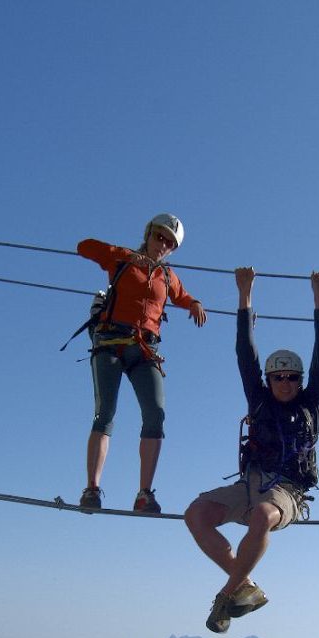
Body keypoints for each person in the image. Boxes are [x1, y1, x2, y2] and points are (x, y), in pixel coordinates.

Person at [185, 266, 319, 633]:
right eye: (277, 376)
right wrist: (244, 295)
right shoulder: (259, 399)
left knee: (263, 515)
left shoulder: (311, 403)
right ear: (268, 380)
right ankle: (245, 587)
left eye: (292, 376)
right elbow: (244, 353)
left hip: (287, 491)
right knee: (196, 513)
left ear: (301, 380)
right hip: (249, 484)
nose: (285, 382)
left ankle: (227, 593)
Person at [76, 213, 207, 513]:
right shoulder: (122, 260)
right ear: (148, 233)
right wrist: (114, 254)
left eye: (169, 243)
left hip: (145, 348)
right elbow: (83, 246)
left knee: (155, 415)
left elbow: (182, 296)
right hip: (110, 342)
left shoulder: (168, 276)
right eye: (159, 236)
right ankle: (92, 490)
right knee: (105, 414)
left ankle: (144, 494)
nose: (162, 245)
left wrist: (195, 303)